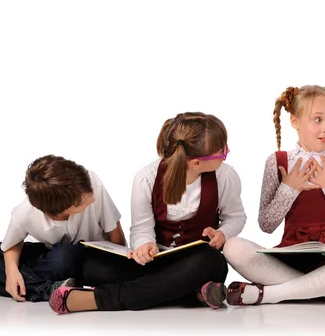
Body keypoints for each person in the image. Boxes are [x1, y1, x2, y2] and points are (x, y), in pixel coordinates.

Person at [49, 112, 247, 314]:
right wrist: (144, 245)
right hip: (156, 264)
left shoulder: (225, 176)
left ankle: (103, 299)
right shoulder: (147, 178)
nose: (226, 153)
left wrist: (223, 233)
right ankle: (193, 293)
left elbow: (235, 217)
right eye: (222, 151)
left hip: (194, 263)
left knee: (213, 261)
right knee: (92, 266)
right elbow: (141, 228)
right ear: (196, 162)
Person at [223, 85, 325, 306]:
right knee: (233, 246)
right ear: (295, 122)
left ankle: (270, 294)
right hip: (290, 260)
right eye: (318, 119)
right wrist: (289, 188)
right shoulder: (278, 162)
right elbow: (266, 224)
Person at [0, 155, 126, 302]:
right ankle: (49, 289)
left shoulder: (90, 182)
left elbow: (114, 231)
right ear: (61, 209)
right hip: (53, 259)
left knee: (66, 255)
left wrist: (120, 265)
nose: (92, 199)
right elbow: (11, 245)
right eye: (83, 202)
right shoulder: (24, 213)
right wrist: (11, 272)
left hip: (89, 258)